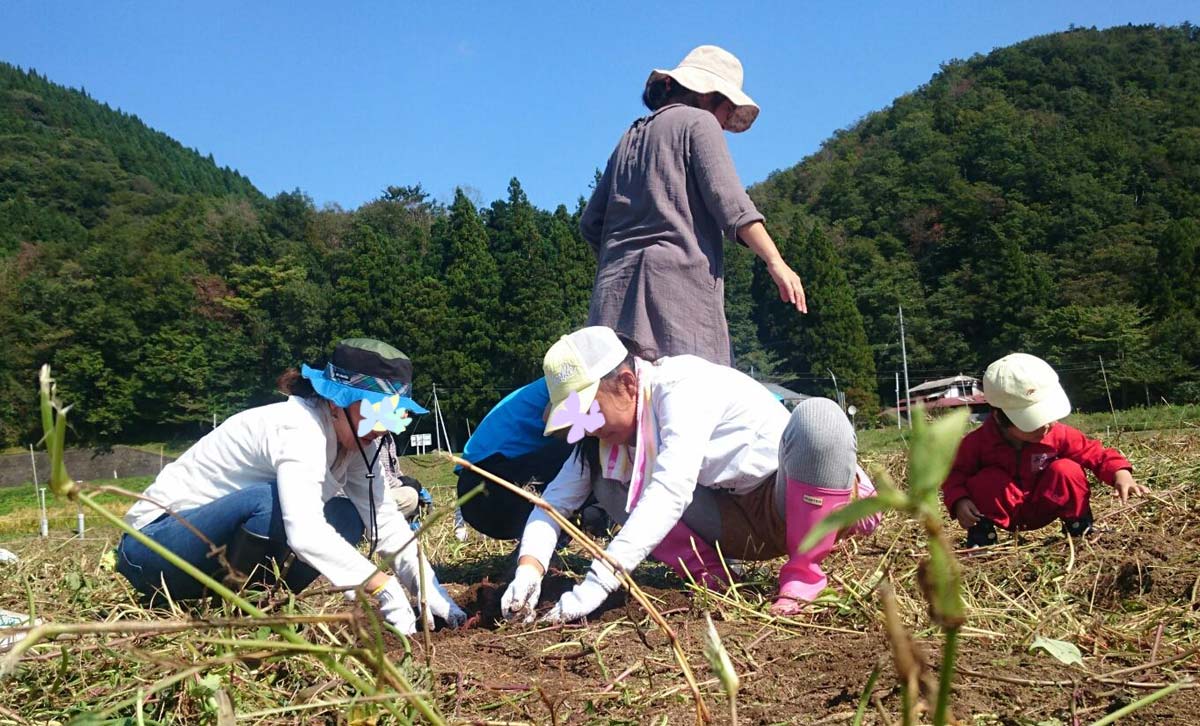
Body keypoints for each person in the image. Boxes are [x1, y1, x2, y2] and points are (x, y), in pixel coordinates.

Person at [500, 327, 881, 623]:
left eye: (589, 411)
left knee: (819, 419)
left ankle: (805, 574)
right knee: (605, 479)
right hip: (733, 519)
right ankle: (714, 576)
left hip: (788, 499)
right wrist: (528, 571)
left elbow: (671, 489)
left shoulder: (680, 387)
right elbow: (553, 503)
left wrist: (596, 585)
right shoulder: (607, 443)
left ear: (628, 384)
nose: (586, 428)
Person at [116, 338, 467, 634]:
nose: (384, 427)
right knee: (273, 506)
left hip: (211, 558)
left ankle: (260, 613)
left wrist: (430, 590)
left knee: (345, 516)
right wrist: (381, 585)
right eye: (376, 411)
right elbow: (304, 532)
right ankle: (242, 619)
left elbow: (384, 521)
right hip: (153, 549)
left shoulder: (358, 443)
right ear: (336, 400)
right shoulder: (297, 428)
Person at [580, 45, 806, 367]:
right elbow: (731, 204)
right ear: (706, 94)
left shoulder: (629, 136)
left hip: (611, 305)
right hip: (675, 302)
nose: (726, 122)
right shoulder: (699, 122)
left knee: (620, 405)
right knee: (686, 404)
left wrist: (621, 260)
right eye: (727, 109)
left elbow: (591, 223)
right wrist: (776, 261)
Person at [941, 353, 1149, 547]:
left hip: (1045, 503)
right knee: (986, 479)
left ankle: (1080, 530)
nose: (1046, 426)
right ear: (999, 417)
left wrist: (1120, 474)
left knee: (1067, 469)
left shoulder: (1057, 434)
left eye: (1047, 417)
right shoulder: (977, 443)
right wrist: (960, 501)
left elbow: (1095, 453)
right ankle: (982, 541)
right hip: (1002, 509)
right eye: (1034, 422)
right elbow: (954, 474)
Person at [455, 379, 608, 541]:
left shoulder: (564, 379)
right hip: (491, 487)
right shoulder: (584, 382)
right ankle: (587, 521)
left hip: (477, 487)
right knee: (594, 441)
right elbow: (553, 420)